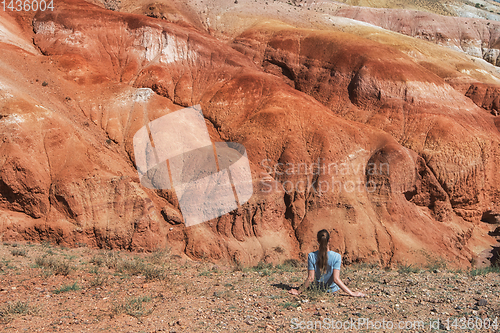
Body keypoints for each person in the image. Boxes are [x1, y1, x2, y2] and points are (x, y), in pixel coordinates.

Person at [289, 229, 366, 297]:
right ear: (330, 240)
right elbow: (336, 279)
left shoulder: (311, 256)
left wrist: (298, 291)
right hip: (332, 290)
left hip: (317, 289)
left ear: (318, 241)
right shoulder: (337, 256)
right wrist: (352, 293)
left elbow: (311, 278)